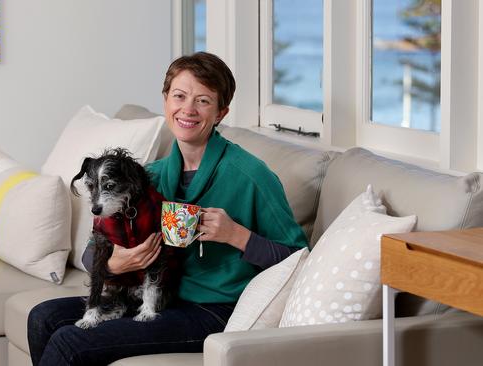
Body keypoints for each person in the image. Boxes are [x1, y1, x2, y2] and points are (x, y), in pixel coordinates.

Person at [27, 52, 308, 366]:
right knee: (43, 317)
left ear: (221, 112)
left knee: (71, 343)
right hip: (157, 296)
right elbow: (93, 251)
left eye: (203, 100)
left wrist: (237, 236)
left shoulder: (252, 176)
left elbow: (297, 259)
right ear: (165, 101)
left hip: (213, 311)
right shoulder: (149, 177)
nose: (188, 109)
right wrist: (115, 265)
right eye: (180, 96)